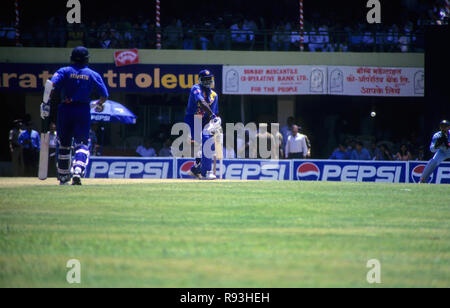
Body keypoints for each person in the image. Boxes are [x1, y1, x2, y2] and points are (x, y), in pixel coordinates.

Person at [40, 46, 109, 185]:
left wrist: (45, 103)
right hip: (82, 110)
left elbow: (50, 86)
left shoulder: (64, 71)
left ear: (72, 58)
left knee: (64, 144)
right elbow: (104, 95)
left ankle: (64, 176)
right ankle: (78, 169)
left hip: (65, 110)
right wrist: (97, 104)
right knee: (82, 143)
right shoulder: (92, 74)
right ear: (87, 59)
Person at [184, 69, 220, 180]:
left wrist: (214, 122)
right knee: (204, 141)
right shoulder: (196, 88)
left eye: (209, 79)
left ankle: (196, 169)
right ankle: (205, 172)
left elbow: (213, 112)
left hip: (205, 120)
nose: (208, 82)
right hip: (193, 119)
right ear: (200, 80)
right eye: (205, 80)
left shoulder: (214, 95)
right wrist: (213, 116)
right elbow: (202, 103)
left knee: (208, 140)